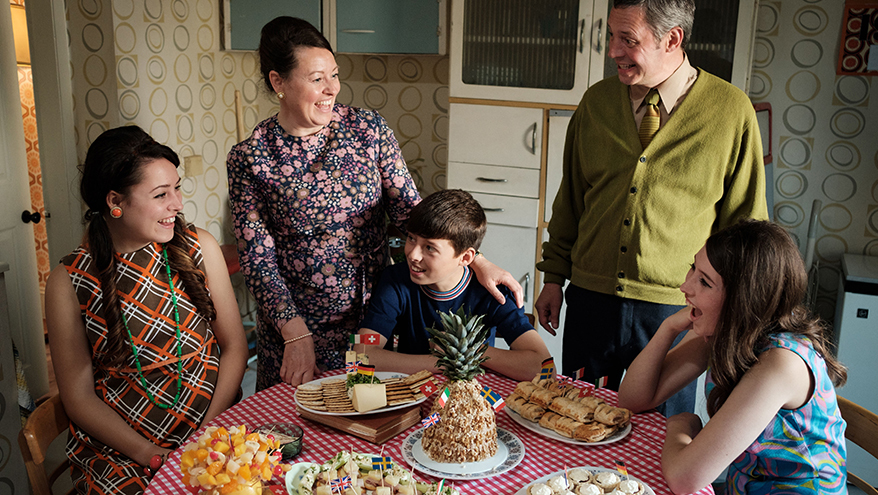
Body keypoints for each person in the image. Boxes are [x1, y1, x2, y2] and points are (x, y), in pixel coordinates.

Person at [227, 16, 523, 391]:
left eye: (334, 75)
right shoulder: (251, 158)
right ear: (278, 82)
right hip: (297, 331)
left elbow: (410, 212)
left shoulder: (368, 130)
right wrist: (293, 331)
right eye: (317, 79)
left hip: (375, 321)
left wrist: (477, 260)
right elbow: (258, 258)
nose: (331, 88)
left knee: (372, 428)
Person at [534, 0, 767, 416]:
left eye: (628, 39)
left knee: (661, 432)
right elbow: (570, 199)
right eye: (611, 36)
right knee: (576, 420)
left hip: (677, 310)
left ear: (672, 39)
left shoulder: (731, 112)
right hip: (591, 301)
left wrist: (727, 310)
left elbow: (745, 227)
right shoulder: (596, 102)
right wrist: (554, 277)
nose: (612, 50)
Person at [44, 126, 248, 494]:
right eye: (160, 194)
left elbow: (234, 346)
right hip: (122, 453)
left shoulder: (199, 247)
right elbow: (78, 397)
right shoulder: (67, 282)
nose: (178, 204)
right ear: (114, 201)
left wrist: (206, 433)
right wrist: (152, 455)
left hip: (211, 429)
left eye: (177, 188)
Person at [618, 219, 848, 494]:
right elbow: (631, 400)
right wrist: (667, 329)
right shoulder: (727, 331)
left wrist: (681, 426)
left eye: (704, 282)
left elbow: (684, 479)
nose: (685, 286)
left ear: (743, 299)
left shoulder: (781, 364)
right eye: (693, 268)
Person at [356, 190, 551, 381]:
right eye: (411, 238)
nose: (413, 254)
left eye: (430, 248)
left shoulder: (495, 291)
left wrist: (469, 350)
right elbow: (361, 354)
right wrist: (443, 360)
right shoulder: (394, 280)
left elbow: (543, 367)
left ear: (465, 257)